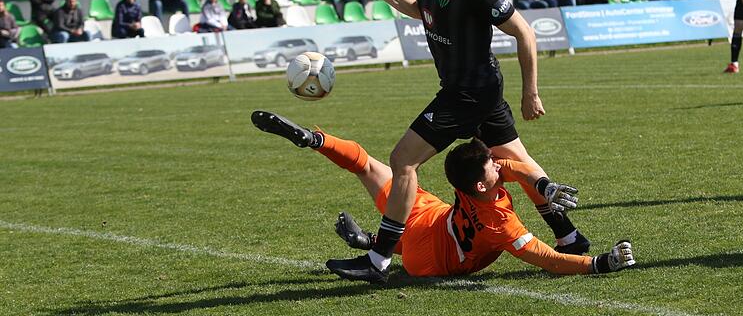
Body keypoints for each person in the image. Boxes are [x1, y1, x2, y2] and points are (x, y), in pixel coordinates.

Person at [327, 0, 589, 283]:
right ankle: (570, 236)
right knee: (519, 161)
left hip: (468, 93)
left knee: (403, 160)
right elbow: (422, 9)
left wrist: (530, 92)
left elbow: (525, 32)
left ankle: (377, 261)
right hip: (469, 90)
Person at [251, 110, 636, 280]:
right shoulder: (500, 224)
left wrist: (543, 186)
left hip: (425, 215)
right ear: (482, 185)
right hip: (430, 260)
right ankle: (373, 243)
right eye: (491, 164)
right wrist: (600, 263)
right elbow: (549, 261)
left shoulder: (469, 180)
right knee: (375, 173)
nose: (498, 163)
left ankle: (317, 141)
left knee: (366, 165)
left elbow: (514, 169)